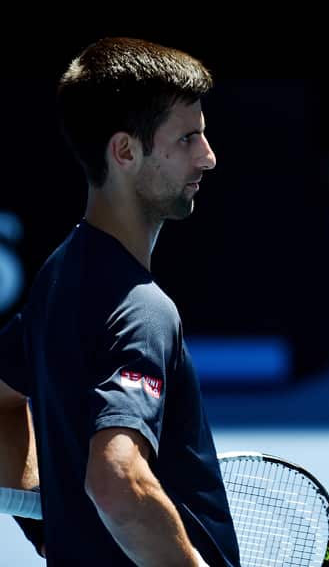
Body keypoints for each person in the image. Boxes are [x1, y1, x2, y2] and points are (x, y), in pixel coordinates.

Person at [0, 37, 240, 566]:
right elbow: (116, 480)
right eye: (187, 138)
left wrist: (47, 519)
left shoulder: (59, 274)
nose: (208, 157)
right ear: (125, 152)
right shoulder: (142, 312)